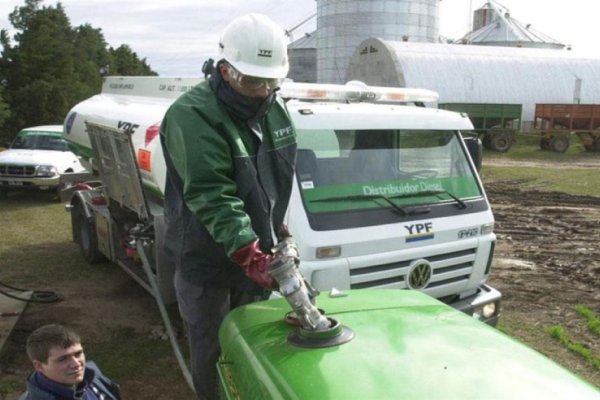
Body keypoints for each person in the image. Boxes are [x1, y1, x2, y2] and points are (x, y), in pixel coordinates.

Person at [159, 13, 297, 400]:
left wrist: (280, 235)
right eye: (253, 81)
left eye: (271, 81)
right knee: (213, 351)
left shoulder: (276, 109)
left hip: (255, 256)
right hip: (208, 263)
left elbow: (277, 179)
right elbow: (211, 193)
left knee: (253, 346)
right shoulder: (193, 116)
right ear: (225, 70)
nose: (262, 91)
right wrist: (249, 252)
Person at [19, 324, 121, 400]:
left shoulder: (90, 372)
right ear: (39, 366)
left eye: (78, 354)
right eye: (63, 359)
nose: (77, 364)